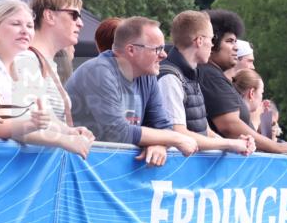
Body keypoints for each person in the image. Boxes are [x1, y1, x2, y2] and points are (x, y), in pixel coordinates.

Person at [66, 17, 198, 166]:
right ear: (131, 50)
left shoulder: (147, 75)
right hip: (78, 169)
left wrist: (159, 145)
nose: (164, 55)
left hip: (109, 168)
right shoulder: (98, 71)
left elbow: (162, 126)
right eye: (157, 49)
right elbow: (117, 132)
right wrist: (175, 139)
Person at [199, 9, 287, 158]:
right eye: (229, 41)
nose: (236, 47)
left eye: (235, 41)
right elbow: (230, 126)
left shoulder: (214, 75)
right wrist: (277, 147)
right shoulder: (210, 75)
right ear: (212, 43)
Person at [158, 10, 254, 155]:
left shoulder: (191, 74)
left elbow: (204, 130)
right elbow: (177, 134)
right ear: (199, 41)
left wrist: (235, 144)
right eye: (211, 39)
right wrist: (230, 143)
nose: (212, 45)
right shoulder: (170, 78)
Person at [0, 0, 57, 143]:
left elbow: (46, 119)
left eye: (30, 26)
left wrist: (69, 132)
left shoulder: (24, 66)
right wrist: (63, 140)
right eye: (16, 24)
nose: (25, 31)